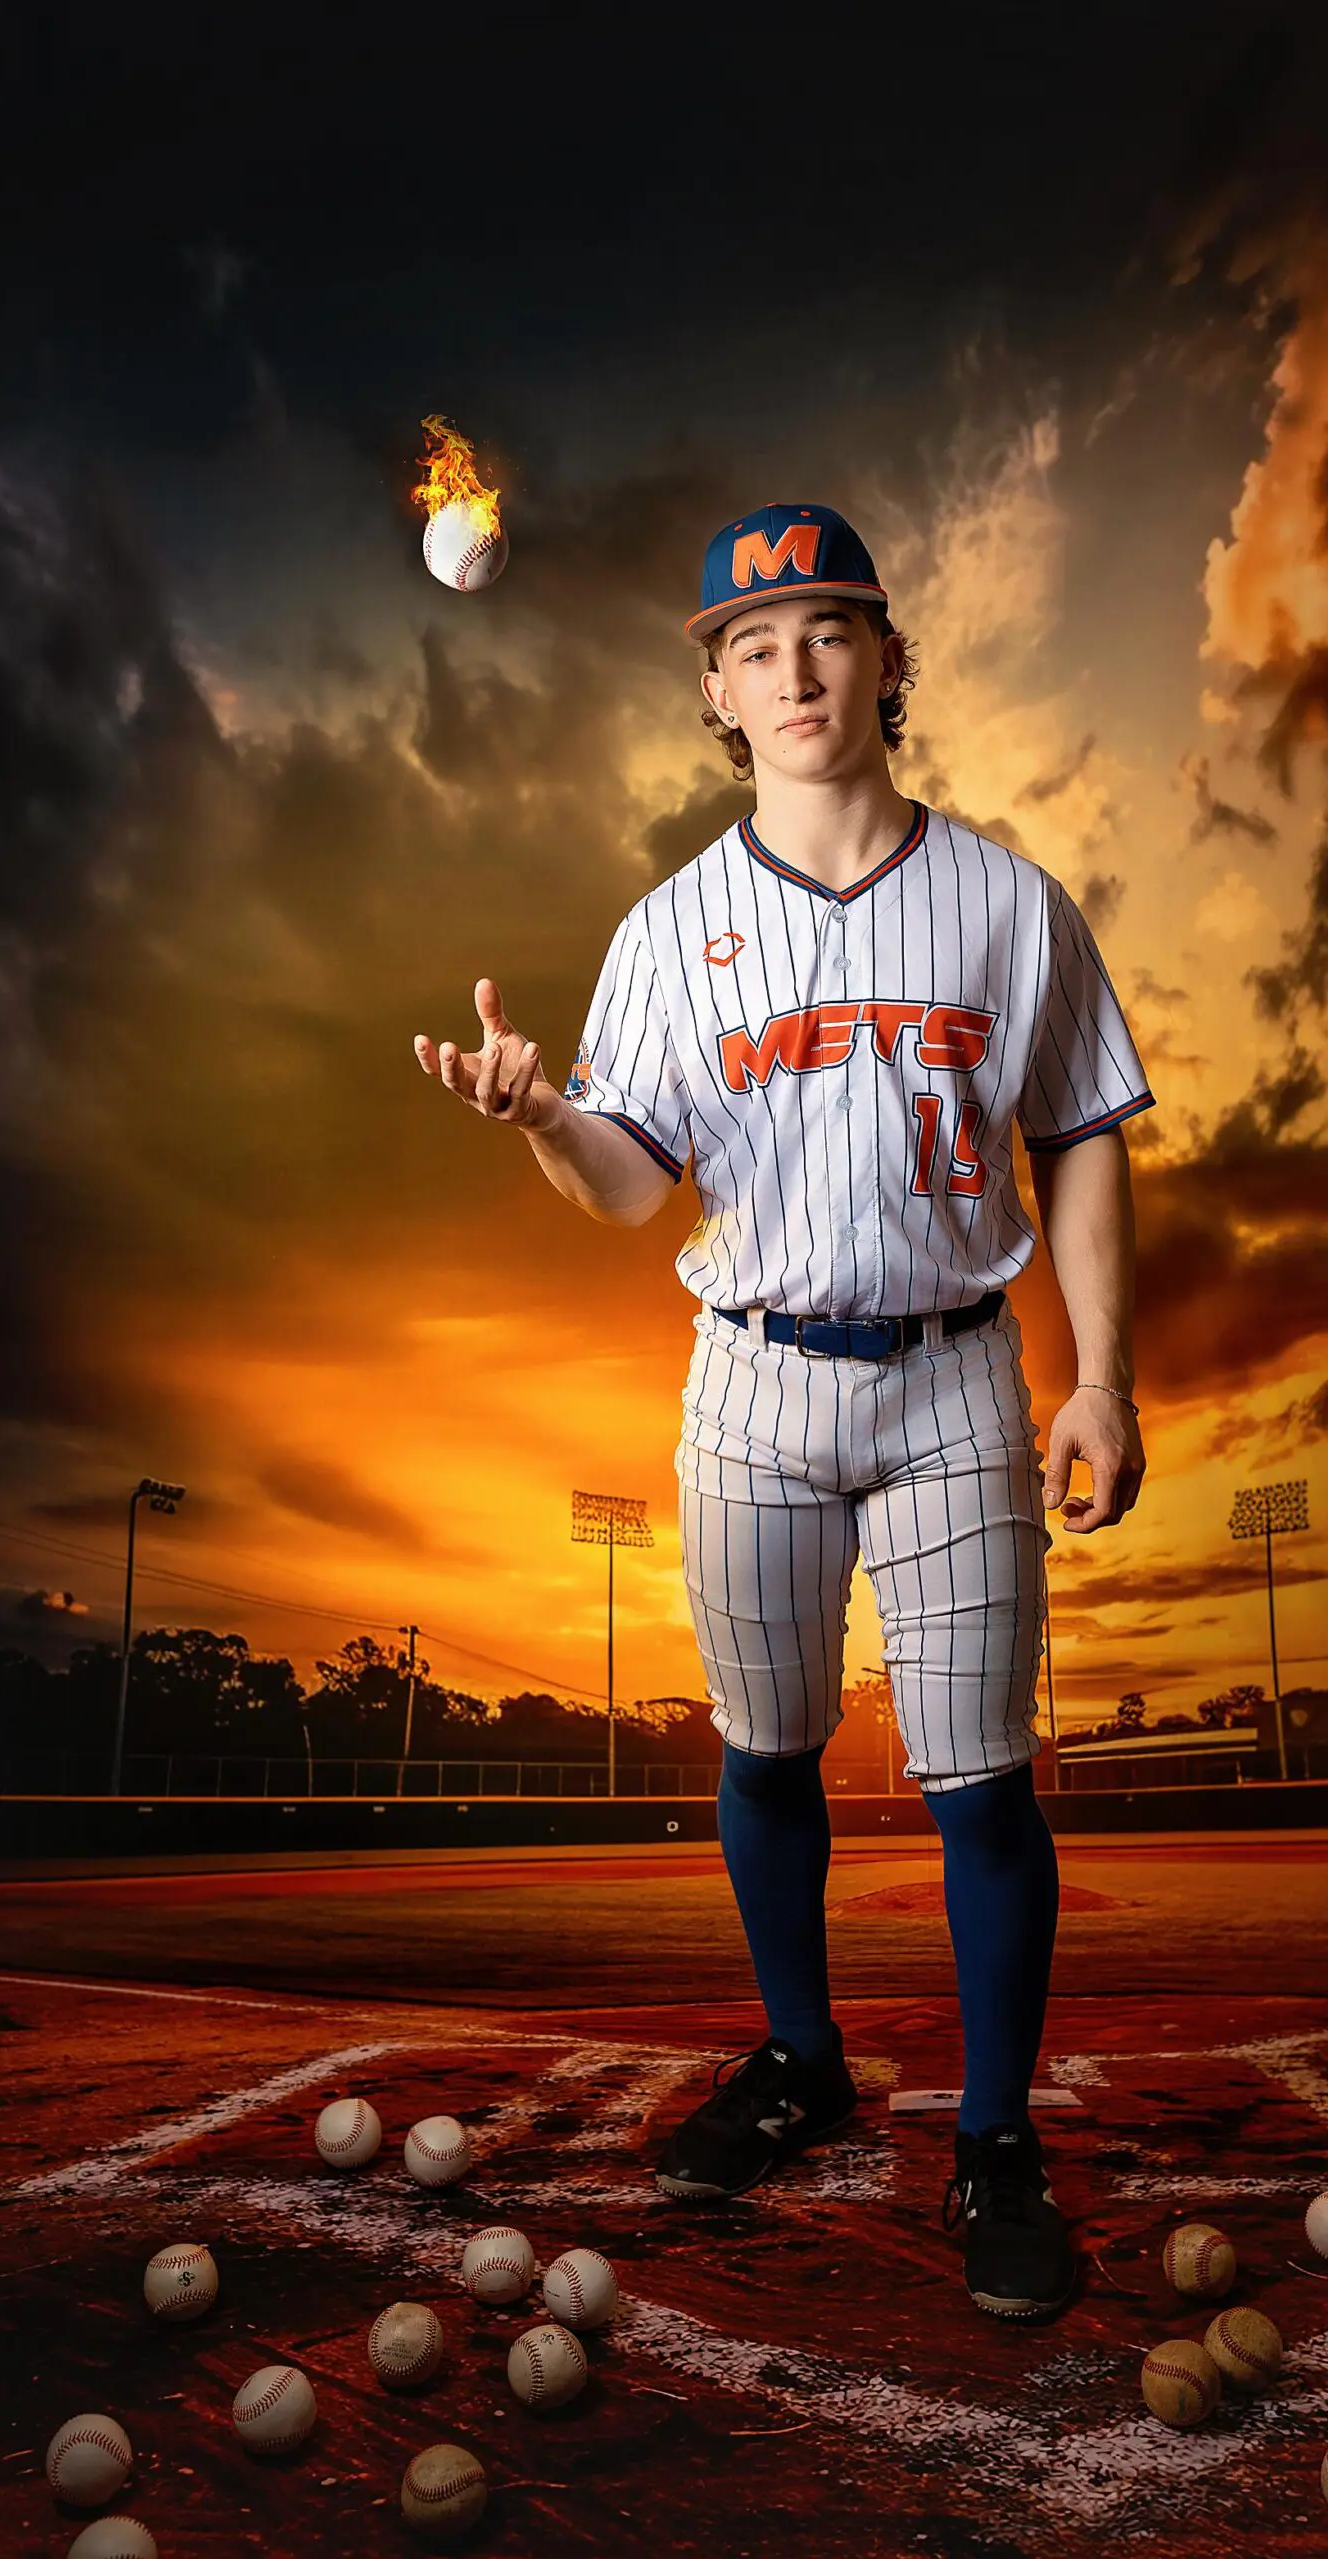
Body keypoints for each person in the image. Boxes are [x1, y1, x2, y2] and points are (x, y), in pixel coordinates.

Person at [416, 501, 1151, 2321]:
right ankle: (803, 2058)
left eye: (828, 628)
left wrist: (1106, 1378)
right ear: (719, 697)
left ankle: (991, 2133)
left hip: (958, 1376)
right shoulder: (671, 927)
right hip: (747, 1375)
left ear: (889, 658)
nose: (796, 666)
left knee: (982, 1782)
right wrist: (535, 1119)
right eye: (754, 645)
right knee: (765, 1752)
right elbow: (628, 1183)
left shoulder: (1005, 898)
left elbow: (1077, 1141)